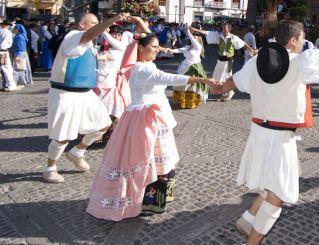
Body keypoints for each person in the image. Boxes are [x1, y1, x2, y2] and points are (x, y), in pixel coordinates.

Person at [209, 20, 319, 245]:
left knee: (272, 183)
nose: (303, 43)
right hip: (280, 138)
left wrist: (220, 87)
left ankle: (248, 219)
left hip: (258, 133)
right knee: (278, 195)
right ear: (293, 40)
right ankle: (252, 241)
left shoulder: (256, 62)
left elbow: (234, 81)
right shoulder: (301, 62)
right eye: (302, 39)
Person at [86, 29, 217, 221]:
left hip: (148, 116)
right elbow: (169, 78)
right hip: (145, 119)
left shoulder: (145, 64)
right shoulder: (142, 68)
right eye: (153, 47)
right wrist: (202, 79)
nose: (157, 50)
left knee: (152, 158)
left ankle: (151, 198)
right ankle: (146, 199)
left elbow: (160, 70)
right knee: (148, 158)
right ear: (141, 48)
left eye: (158, 47)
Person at [43, 13, 130, 183]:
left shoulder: (88, 42)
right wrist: (111, 20)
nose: (101, 27)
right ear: (83, 24)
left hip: (85, 93)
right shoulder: (74, 36)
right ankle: (49, 168)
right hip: (65, 93)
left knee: (104, 123)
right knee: (63, 135)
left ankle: (77, 152)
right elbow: (89, 35)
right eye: (95, 24)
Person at [191, 23, 254, 102]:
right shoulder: (219, 36)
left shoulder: (233, 37)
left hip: (228, 60)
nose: (223, 29)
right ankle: (225, 93)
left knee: (227, 76)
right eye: (223, 28)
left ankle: (230, 92)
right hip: (220, 60)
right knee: (218, 76)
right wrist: (195, 30)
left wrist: (251, 49)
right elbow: (206, 32)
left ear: (229, 29)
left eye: (225, 28)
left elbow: (243, 43)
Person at [171, 28, 208, 109]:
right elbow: (179, 50)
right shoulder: (188, 46)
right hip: (185, 66)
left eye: (195, 38)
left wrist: (188, 32)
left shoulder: (198, 46)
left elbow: (193, 40)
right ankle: (181, 100)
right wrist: (171, 50)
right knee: (182, 83)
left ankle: (191, 102)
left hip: (195, 67)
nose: (193, 39)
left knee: (193, 85)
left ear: (198, 39)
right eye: (192, 37)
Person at [0, 20, 16, 91]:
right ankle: (10, 85)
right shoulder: (7, 32)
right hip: (3, 52)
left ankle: (1, 85)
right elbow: (5, 43)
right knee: (7, 69)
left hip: (2, 51)